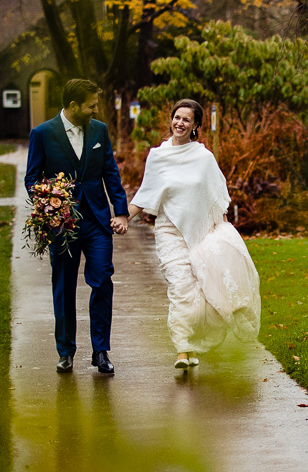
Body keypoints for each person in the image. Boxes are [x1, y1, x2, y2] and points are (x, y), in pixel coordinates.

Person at [128, 99, 261, 369]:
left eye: (186, 120)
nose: (180, 123)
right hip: (170, 231)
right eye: (177, 117)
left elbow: (217, 196)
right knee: (180, 289)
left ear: (196, 126)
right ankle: (182, 348)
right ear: (171, 119)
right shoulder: (158, 156)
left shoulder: (204, 158)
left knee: (202, 292)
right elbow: (146, 194)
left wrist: (225, 235)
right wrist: (121, 218)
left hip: (202, 233)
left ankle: (194, 344)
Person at [25, 78, 129, 374]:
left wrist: (120, 212)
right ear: (73, 106)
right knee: (64, 287)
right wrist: (51, 202)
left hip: (97, 221)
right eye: (91, 105)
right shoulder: (43, 134)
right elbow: (32, 179)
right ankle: (65, 351)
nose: (95, 110)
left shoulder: (99, 130)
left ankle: (101, 350)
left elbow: (111, 171)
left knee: (102, 282)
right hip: (62, 226)